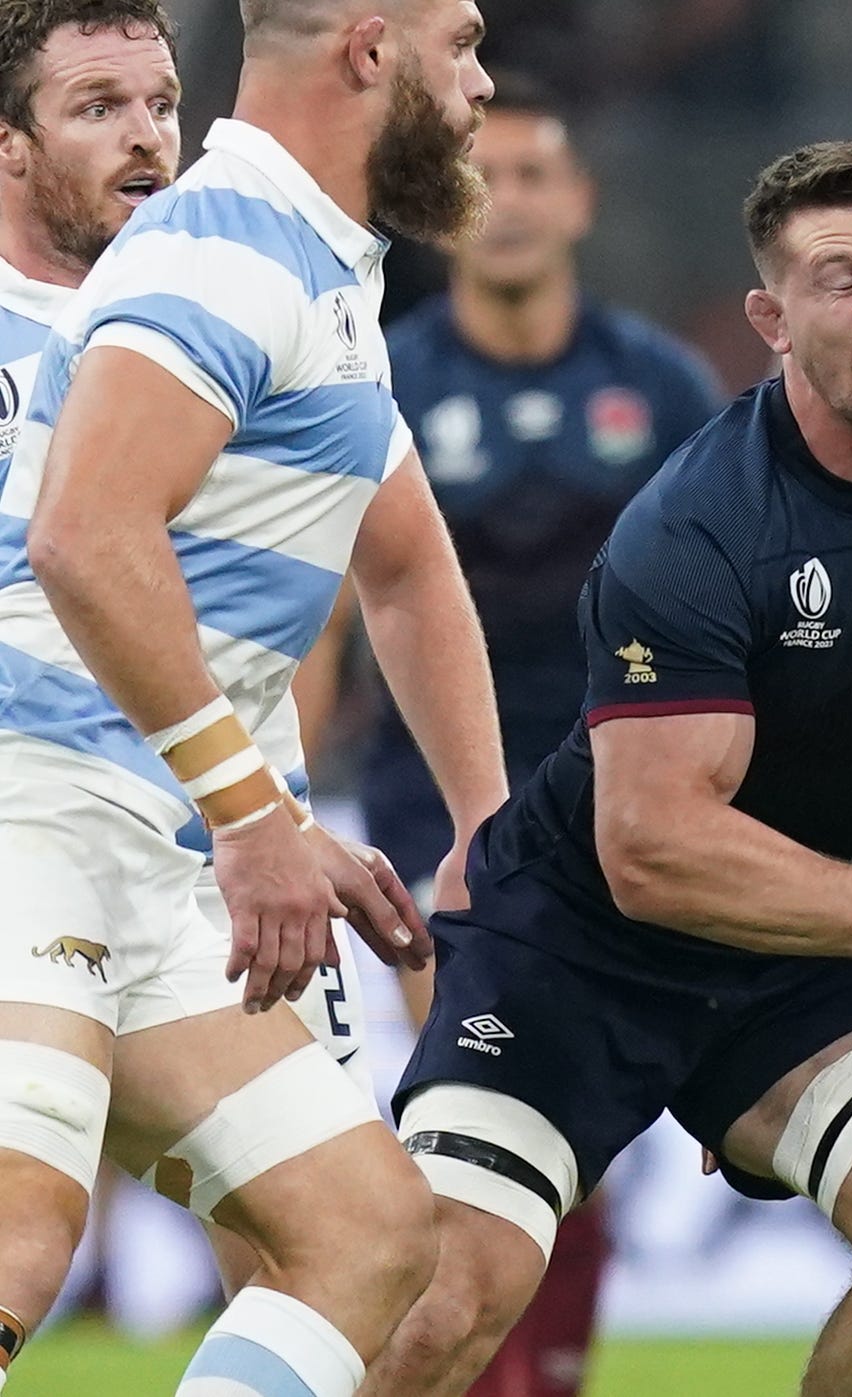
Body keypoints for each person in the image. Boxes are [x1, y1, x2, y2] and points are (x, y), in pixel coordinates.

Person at [360, 142, 852, 1397]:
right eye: (838, 279)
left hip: (801, 961)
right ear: (770, 318)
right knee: (445, 1299)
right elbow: (652, 851)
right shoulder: (696, 524)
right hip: (574, 944)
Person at [0, 1, 505, 1394]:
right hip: (37, 809)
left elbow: (408, 568)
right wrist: (256, 813)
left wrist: (484, 827)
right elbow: (84, 536)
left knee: (370, 1239)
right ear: (369, 51)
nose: (482, 85)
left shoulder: (317, 265)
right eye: (460, 45)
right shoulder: (220, 255)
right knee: (20, 1241)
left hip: (167, 846)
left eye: (151, 97)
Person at [339, 67, 722, 1397]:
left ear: (580, 201)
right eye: (477, 178)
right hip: (426, 806)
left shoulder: (661, 387)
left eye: (533, 176)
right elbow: (332, 603)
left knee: (573, 1120)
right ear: (438, 211)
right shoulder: (376, 376)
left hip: (622, 803)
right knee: (480, 1091)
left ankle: (545, 1368)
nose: (505, 204)